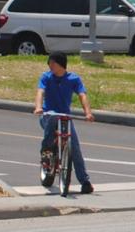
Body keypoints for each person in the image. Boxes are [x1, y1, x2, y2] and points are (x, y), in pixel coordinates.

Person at [33, 51, 95, 194]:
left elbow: (82, 95)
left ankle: (85, 181)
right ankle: (47, 149)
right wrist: (38, 107)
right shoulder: (46, 77)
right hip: (48, 116)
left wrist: (88, 113)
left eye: (52, 63)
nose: (50, 66)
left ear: (60, 64)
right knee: (54, 115)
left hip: (65, 118)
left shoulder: (73, 79)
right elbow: (40, 92)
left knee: (75, 148)